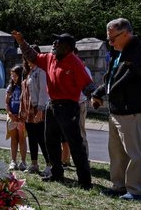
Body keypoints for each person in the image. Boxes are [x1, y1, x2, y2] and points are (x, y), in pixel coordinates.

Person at [11, 31, 93, 189]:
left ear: (68, 47)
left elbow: (87, 84)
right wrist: (21, 41)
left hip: (68, 107)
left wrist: (96, 96)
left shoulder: (74, 62)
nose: (54, 44)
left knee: (75, 143)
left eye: (58, 42)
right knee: (50, 141)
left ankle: (84, 180)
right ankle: (56, 173)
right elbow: (32, 56)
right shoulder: (49, 58)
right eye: (54, 42)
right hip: (52, 104)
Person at [91, 18, 141, 201]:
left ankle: (135, 191)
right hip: (116, 110)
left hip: (132, 110)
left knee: (134, 154)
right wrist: (99, 93)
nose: (110, 43)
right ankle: (119, 186)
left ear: (126, 33)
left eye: (113, 39)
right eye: (108, 40)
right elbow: (112, 78)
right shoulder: (118, 51)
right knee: (117, 153)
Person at [20, 60, 50, 174]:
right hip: (28, 110)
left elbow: (43, 91)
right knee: (32, 138)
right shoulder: (29, 72)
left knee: (42, 138)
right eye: (26, 58)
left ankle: (49, 164)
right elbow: (24, 93)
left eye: (29, 57)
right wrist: (22, 110)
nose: (27, 60)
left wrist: (40, 110)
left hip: (38, 108)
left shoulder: (41, 71)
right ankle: (34, 164)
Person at [5, 64, 28, 169]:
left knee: (22, 138)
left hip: (21, 117)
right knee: (13, 138)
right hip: (12, 116)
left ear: (20, 75)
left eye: (14, 75)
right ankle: (13, 161)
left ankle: (23, 162)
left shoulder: (24, 86)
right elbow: (7, 102)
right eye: (11, 75)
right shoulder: (10, 87)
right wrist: (9, 113)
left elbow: (26, 102)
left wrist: (21, 115)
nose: (12, 77)